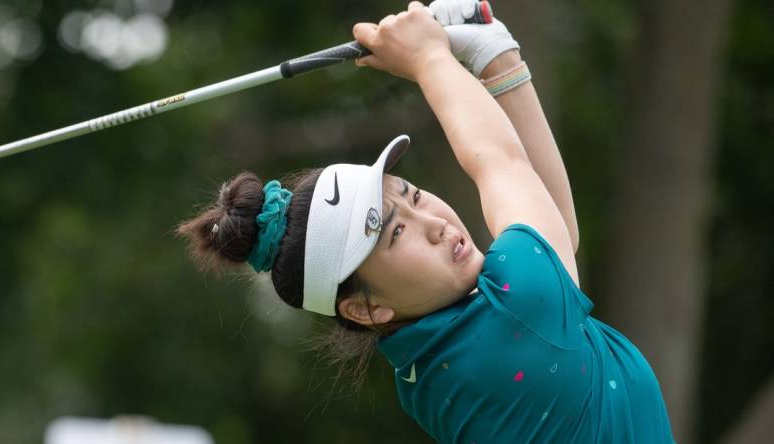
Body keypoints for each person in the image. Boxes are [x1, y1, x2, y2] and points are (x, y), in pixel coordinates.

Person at [177, 1, 676, 442]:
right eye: (395, 233)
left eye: (412, 195)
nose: (433, 222)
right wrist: (430, 59)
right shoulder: (515, 312)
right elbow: (502, 164)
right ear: (366, 310)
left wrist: (492, 55)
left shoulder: (426, 368)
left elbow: (551, 227)